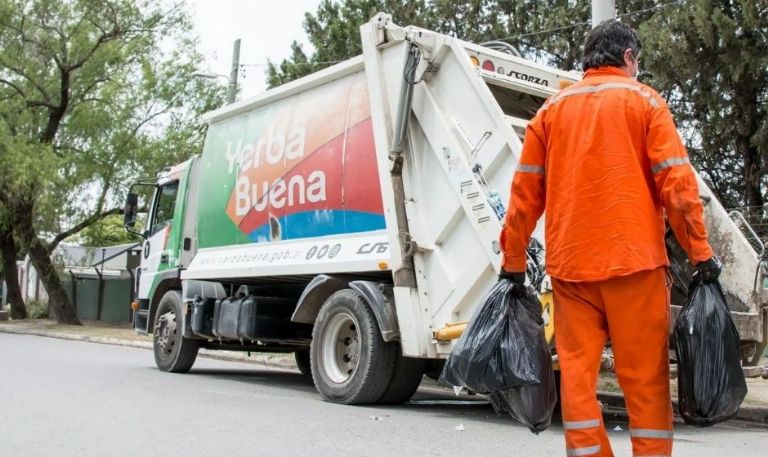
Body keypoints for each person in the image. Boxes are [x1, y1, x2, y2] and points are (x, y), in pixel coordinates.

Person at [498, 20, 722, 457]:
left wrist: (513, 264)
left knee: (578, 380)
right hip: (633, 265)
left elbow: (524, 196)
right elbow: (677, 187)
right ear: (628, 58)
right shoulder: (645, 102)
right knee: (644, 380)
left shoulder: (551, 111)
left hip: (571, 269)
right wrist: (701, 254)